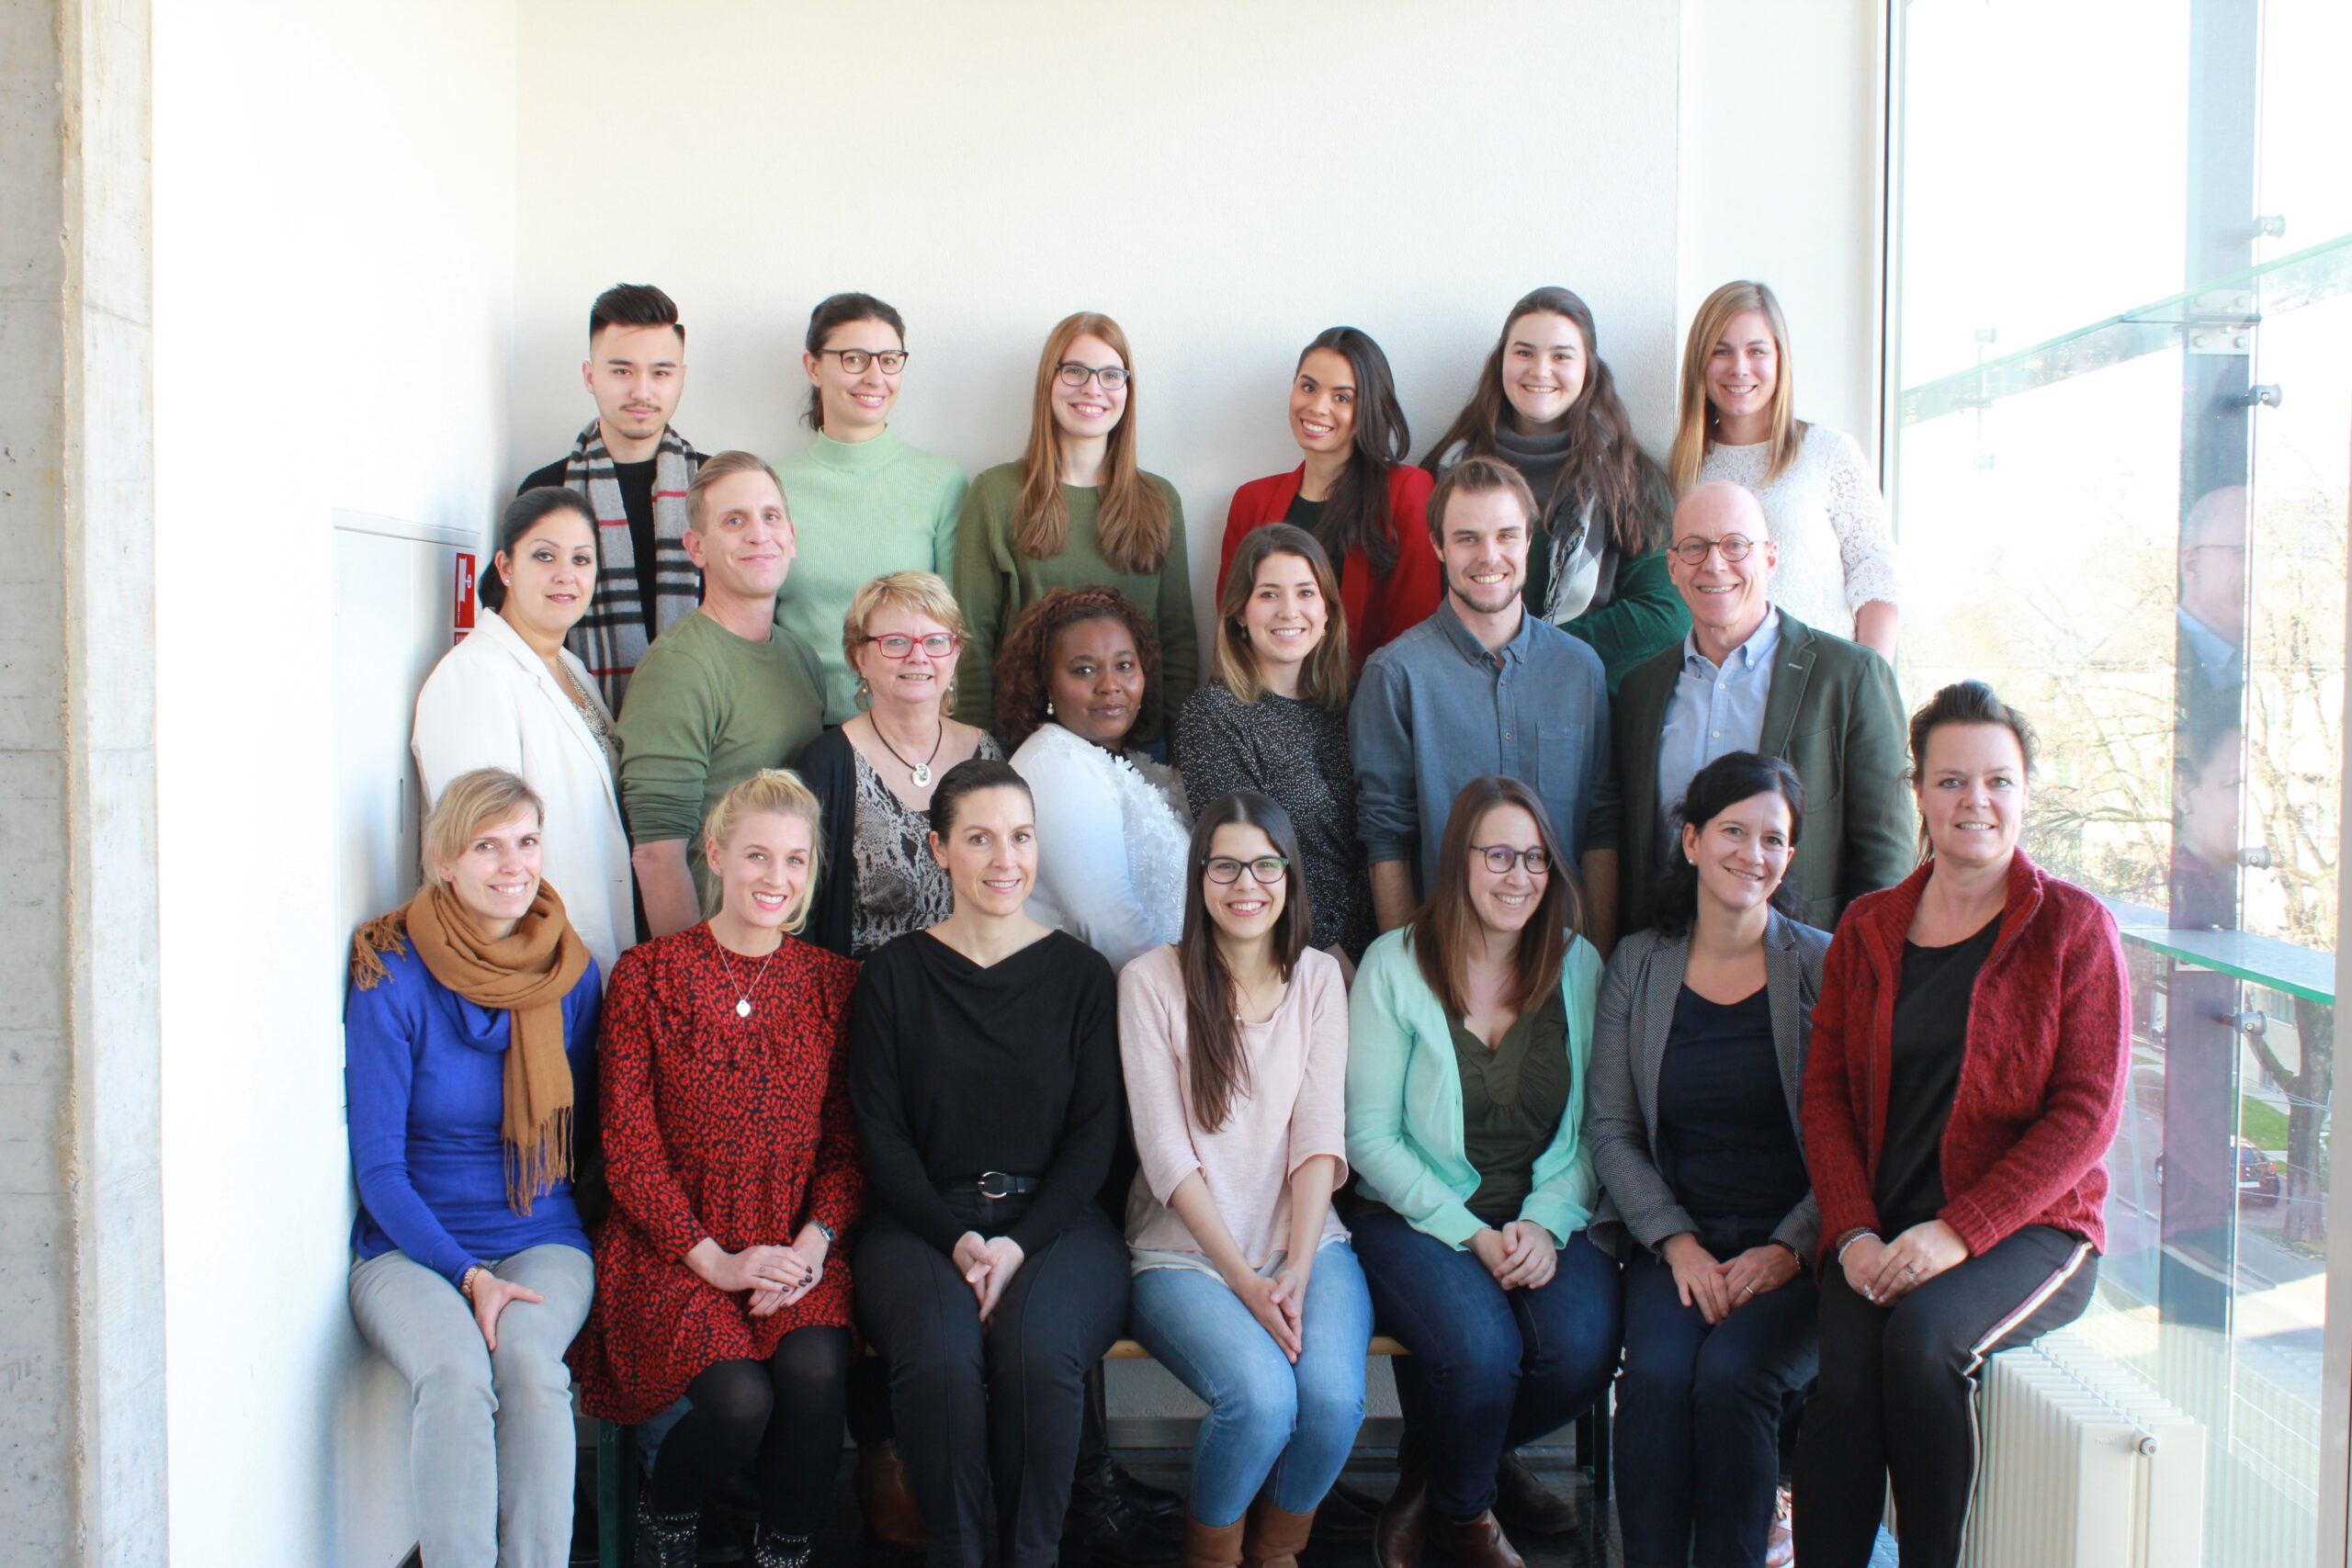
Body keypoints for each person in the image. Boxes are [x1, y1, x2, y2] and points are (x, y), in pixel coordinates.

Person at [1794, 682, 2131, 1568]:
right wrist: (1851, 1231)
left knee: (1923, 1344)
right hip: (1884, 1225)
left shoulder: (2075, 928)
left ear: (2026, 791)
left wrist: (1960, 1231)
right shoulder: (1869, 927)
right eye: (1951, 781)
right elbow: (1825, 1095)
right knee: (1842, 1389)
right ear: (1919, 791)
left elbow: (2087, 1116)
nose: (1975, 801)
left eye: (1997, 781)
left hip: (2030, 1229)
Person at [569, 770, 862, 1568]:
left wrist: (811, 1246)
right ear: (716, 853)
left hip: (793, 1242)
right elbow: (629, 1148)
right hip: (673, 1248)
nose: (777, 878)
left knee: (815, 1370)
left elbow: (847, 1150)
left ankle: (785, 1553)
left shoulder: (834, 984)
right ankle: (666, 1520)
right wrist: (718, 1260)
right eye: (758, 855)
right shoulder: (648, 975)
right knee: (739, 1400)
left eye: (795, 860)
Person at [850, 759, 1131, 1568]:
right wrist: (958, 1239)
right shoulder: (892, 976)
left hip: (1058, 1222)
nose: (1005, 859)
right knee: (939, 1358)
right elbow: (881, 1136)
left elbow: (1093, 1138)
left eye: (1021, 837)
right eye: (979, 839)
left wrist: (1014, 1244)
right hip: (920, 1221)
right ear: (939, 849)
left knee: (1038, 1354)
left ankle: (1032, 1554)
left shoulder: (1082, 975)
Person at [1346, 776, 1619, 1568]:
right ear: (1458, 859)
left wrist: (1545, 1219)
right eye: (1498, 854)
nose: (1518, 875)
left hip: (1540, 1210)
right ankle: (1467, 1517)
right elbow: (1369, 1137)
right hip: (1414, 1215)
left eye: (1535, 857)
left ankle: (1430, 1476)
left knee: (1581, 1348)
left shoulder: (1578, 965)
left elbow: (1594, 1129)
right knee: (1479, 1351)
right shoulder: (1394, 964)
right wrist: (1472, 1233)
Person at [344, 768, 600, 1568]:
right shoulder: (390, 972)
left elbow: (586, 1132)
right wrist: (466, 1274)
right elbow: (379, 1169)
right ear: (443, 860)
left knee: (530, 1365)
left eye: (527, 841)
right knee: (456, 1374)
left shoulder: (571, 972)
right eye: (487, 846)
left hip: (540, 1234)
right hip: (408, 1244)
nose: (513, 864)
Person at [1585, 752, 1828, 1568]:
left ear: (1790, 856)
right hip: (1677, 1239)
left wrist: (1788, 1249)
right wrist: (1678, 1243)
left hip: (1795, 1248)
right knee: (1655, 1377)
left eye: (1773, 838)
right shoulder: (1639, 963)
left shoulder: (1822, 965)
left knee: (1731, 1376)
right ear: (1691, 840)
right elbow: (1612, 1128)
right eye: (1732, 831)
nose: (1752, 854)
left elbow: (1854, 1140)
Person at [1122, 792, 1371, 1568]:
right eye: (1224, 866)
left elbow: (1320, 1137)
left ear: (1290, 876)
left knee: (1332, 1401)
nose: (1247, 884)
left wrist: (1295, 1267)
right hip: (1186, 1254)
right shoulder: (1150, 980)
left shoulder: (1320, 979)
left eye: (1266, 865)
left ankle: (1276, 1551)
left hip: (1305, 1240)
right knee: (1261, 1402)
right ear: (1198, 877)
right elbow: (1167, 1155)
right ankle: (1211, 1556)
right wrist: (1245, 1278)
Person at [1611, 480, 1911, 936]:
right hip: (1666, 958)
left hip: (1805, 965)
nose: (1714, 564)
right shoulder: (1639, 691)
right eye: (1694, 547)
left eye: (1736, 545)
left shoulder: (1850, 677)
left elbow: (1885, 858)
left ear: (1770, 558)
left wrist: (1860, 967)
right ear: (1672, 566)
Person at [1351, 457, 1619, 951]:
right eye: (1467, 538)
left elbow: (1601, 824)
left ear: (1529, 541)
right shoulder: (1395, 675)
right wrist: (1406, 972)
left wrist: (1597, 962)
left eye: (1506, 536)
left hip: (1562, 959)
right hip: (1445, 959)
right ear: (1438, 546)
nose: (1488, 556)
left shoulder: (1580, 669)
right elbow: (1386, 838)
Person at [413, 488, 633, 974]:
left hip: (585, 944)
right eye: (544, 556)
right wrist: (521, 965)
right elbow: (480, 852)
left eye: (581, 559)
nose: (565, 575)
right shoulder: (474, 675)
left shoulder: (571, 668)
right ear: (506, 567)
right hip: (526, 959)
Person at [953, 311, 1197, 743]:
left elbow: (1176, 637)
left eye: (1110, 375)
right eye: (1075, 371)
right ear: (1049, 381)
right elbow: (973, 637)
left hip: (1139, 745)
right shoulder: (995, 493)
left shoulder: (1159, 499)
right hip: (1024, 741)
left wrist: (1180, 746)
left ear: (1127, 389)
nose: (1093, 389)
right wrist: (977, 746)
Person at [1422, 288, 1687, 689]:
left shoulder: (1631, 478)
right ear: (1501, 361)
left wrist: (1530, 651)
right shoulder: (1446, 472)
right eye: (1524, 353)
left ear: (1588, 369)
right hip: (1459, 696)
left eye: (1561, 356)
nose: (1540, 371)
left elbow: (1665, 615)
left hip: (1586, 703)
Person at [615, 451, 826, 938]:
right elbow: (656, 855)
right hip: (712, 953)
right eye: (734, 521)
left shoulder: (801, 658)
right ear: (697, 547)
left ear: (791, 537)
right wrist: (698, 976)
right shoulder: (679, 668)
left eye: (770, 517)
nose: (758, 534)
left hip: (783, 951)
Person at [1668, 280, 1898, 661]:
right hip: (1720, 684)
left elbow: (1875, 574)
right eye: (1721, 352)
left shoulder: (1826, 452)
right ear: (1699, 363)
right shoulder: (1681, 470)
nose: (1739, 368)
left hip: (1823, 680)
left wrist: (1873, 679)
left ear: (1779, 359)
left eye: (1756, 351)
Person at [1177, 524, 1374, 962]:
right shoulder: (1213, 716)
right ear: (1240, 614)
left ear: (1327, 611)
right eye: (1269, 594)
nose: (1289, 611)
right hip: (1292, 953)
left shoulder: (1355, 703)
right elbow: (1247, 860)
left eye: (1305, 593)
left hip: (1381, 943)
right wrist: (1332, 963)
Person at [774, 293, 970, 724]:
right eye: (854, 359)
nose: (875, 377)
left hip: (909, 729)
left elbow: (954, 629)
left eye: (889, 360)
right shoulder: (773, 488)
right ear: (813, 367)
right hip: (797, 728)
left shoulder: (940, 482)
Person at [518, 283, 706, 708]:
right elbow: (523, 629)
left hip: (701, 719)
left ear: (681, 378)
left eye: (660, 373)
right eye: (622, 371)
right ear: (590, 376)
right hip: (576, 718)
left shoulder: (715, 486)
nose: (642, 391)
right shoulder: (547, 491)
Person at [797, 571, 1002, 960]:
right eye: (896, 641)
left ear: (955, 653)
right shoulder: (827, 764)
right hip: (866, 990)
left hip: (975, 981)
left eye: (936, 641)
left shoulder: (988, 753)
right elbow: (802, 911)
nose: (918, 656)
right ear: (860, 657)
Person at [1217, 326, 1441, 667]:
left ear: (1370, 406)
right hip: (1264, 694)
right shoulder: (1251, 501)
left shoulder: (1407, 491)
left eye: (1342, 397)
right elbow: (1234, 628)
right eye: (1308, 387)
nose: (1318, 407)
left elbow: (1416, 628)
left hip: (1371, 693)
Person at [1000, 587, 1191, 970]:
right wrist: (1194, 990)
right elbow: (1109, 923)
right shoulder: (1055, 762)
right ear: (1046, 683)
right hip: (1097, 995)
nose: (1110, 685)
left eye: (1124, 665)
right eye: (1084, 670)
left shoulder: (1125, 762)